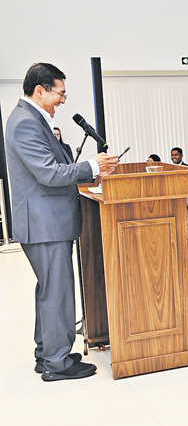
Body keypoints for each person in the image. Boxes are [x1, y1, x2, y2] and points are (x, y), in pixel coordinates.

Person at [6, 62, 118, 380]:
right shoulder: (26, 122)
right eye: (60, 93)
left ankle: (47, 354)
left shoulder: (30, 119)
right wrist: (92, 167)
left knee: (50, 291)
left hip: (46, 222)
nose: (63, 100)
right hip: (45, 223)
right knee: (57, 292)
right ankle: (57, 363)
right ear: (40, 91)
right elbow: (49, 173)